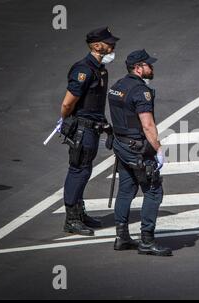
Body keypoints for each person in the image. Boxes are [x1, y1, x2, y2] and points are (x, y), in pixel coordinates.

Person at [108, 49, 172, 256]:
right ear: (138, 68)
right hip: (137, 148)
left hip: (121, 145)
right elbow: (147, 124)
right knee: (153, 191)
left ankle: (122, 237)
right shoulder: (140, 91)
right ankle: (147, 240)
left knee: (126, 189)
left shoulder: (117, 86)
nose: (151, 67)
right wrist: (158, 148)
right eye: (148, 65)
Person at [60, 26, 119, 236]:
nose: (112, 46)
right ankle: (72, 219)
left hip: (91, 129)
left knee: (84, 171)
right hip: (82, 130)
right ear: (96, 46)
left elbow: (95, 103)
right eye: (108, 43)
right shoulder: (83, 70)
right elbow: (67, 104)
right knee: (79, 171)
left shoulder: (100, 69)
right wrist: (68, 121)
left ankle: (80, 212)